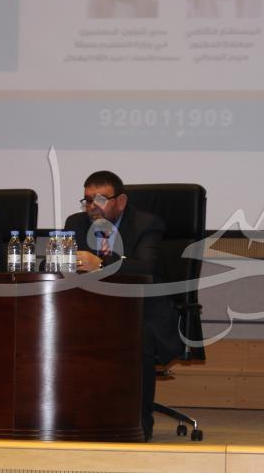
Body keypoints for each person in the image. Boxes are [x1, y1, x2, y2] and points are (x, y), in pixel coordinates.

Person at [64, 171, 182, 441]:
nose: (92, 207)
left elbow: (145, 267)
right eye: (87, 200)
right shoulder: (76, 223)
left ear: (121, 201)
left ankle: (139, 423)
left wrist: (101, 263)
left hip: (141, 309)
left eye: (100, 199)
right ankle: (75, 420)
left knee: (137, 341)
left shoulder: (146, 224)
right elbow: (54, 261)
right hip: (93, 308)